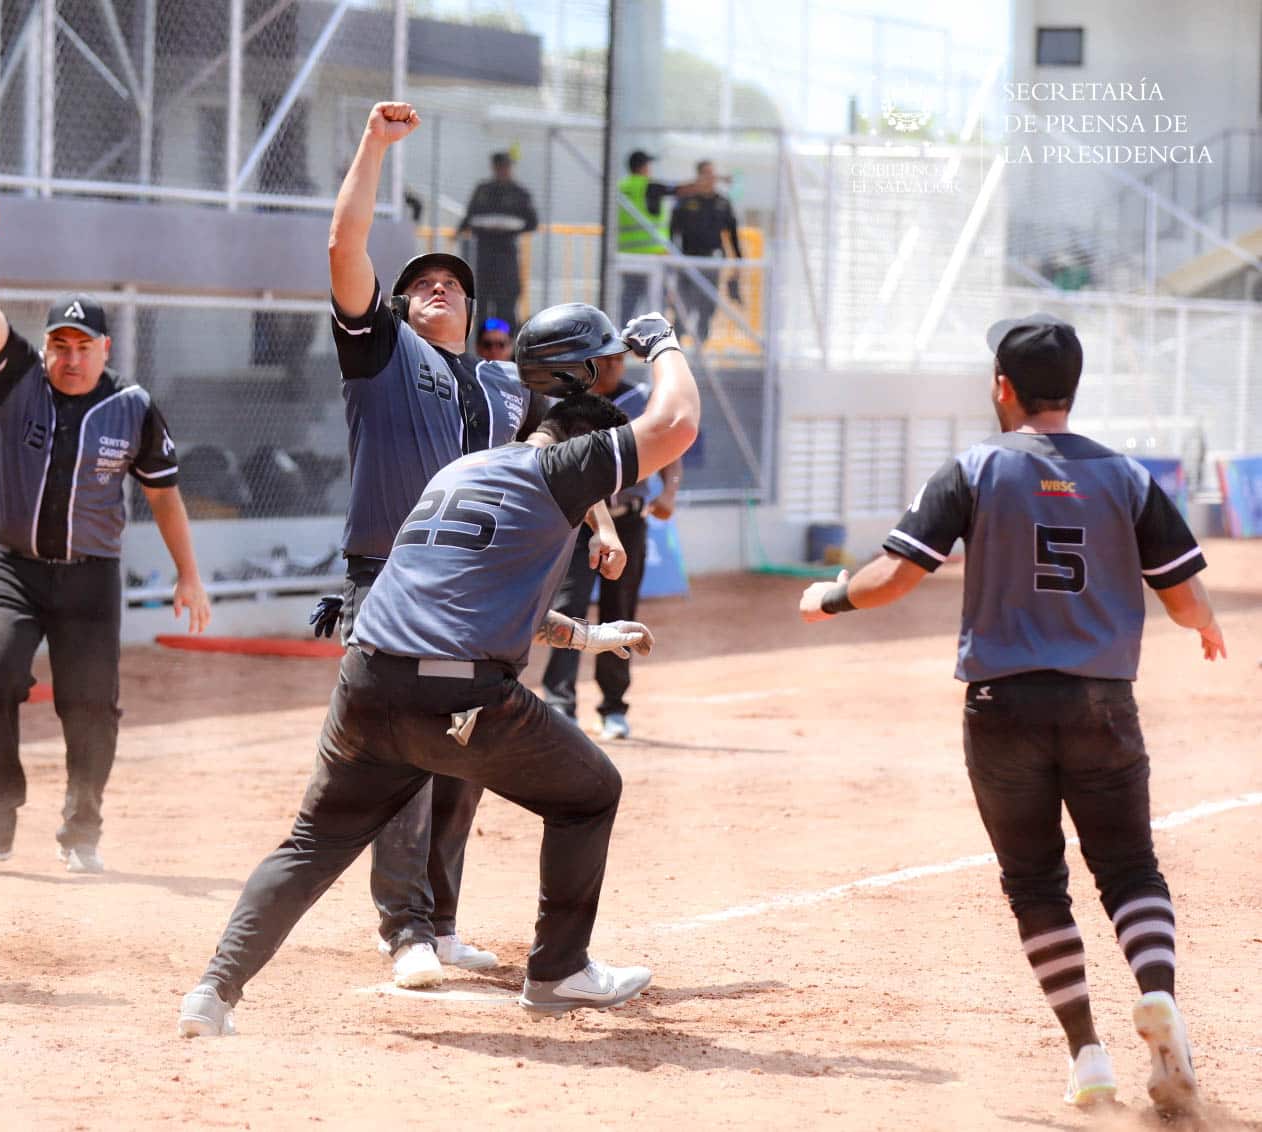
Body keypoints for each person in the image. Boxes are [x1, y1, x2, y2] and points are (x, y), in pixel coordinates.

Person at [178, 306, 703, 1036]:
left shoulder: (467, 470)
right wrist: (664, 344)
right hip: (454, 692)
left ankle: (211, 993)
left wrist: (585, 635)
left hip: (366, 680)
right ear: (587, 448)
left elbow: (453, 595)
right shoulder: (560, 469)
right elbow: (676, 423)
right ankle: (558, 972)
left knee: (311, 842)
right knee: (589, 793)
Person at [798, 313, 1222, 1118]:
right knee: (1130, 869)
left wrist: (829, 598)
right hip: (1102, 704)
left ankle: (1087, 1055)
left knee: (1035, 882)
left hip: (1002, 707)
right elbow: (1184, 596)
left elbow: (893, 578)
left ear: (1003, 388)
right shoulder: (1127, 476)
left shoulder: (976, 467)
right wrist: (1205, 625)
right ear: (1074, 386)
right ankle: (1158, 995)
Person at [309, 101, 626, 990]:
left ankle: (442, 922)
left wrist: (599, 525)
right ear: (400, 305)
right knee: (402, 757)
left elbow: (558, 457)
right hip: (390, 583)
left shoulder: (499, 382)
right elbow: (344, 250)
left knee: (468, 749)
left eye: (449, 281)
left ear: (473, 305)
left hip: (479, 588)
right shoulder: (379, 356)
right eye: (420, 283)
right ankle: (402, 929)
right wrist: (372, 144)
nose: (434, 288)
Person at [0, 197, 211, 876]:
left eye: (81, 347)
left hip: (90, 573)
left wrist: (188, 574)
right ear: (46, 349)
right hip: (9, 562)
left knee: (91, 705)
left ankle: (81, 828)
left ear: (105, 348)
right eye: (58, 346)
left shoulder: (132, 407)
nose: (68, 358)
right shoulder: (15, 381)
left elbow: (164, 496)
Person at [541, 349, 682, 740]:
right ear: (590, 363)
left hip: (630, 522)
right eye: (605, 358)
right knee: (568, 608)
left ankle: (614, 709)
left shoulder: (639, 399)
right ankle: (559, 707)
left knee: (620, 611)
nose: (614, 364)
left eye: (620, 357)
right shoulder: (572, 405)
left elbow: (670, 444)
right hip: (580, 525)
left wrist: (669, 491)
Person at [457, 152, 539, 335]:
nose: (503, 171)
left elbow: (532, 222)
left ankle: (507, 344)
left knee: (506, 306)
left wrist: (511, 228)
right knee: (483, 304)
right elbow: (469, 217)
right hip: (484, 255)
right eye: (500, 167)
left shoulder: (519, 193)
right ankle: (483, 343)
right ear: (494, 168)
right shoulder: (483, 190)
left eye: (506, 167)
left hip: (506, 254)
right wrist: (459, 233)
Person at [669, 160, 744, 346]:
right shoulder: (686, 201)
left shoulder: (722, 203)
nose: (711, 179)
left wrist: (738, 263)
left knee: (707, 307)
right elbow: (672, 233)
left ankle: (700, 348)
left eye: (713, 174)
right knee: (684, 306)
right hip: (688, 262)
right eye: (706, 174)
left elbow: (733, 235)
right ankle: (676, 346)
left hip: (712, 262)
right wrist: (674, 261)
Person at [616, 150, 675, 324]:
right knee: (656, 300)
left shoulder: (621, 187)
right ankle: (654, 339)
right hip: (652, 254)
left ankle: (622, 336)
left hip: (628, 254)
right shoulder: (647, 186)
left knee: (630, 297)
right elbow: (677, 190)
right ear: (643, 167)